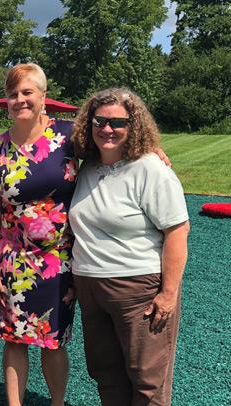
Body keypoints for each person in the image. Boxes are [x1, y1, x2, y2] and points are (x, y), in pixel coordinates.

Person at [69, 88, 189, 405]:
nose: (107, 129)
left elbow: (177, 230)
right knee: (107, 374)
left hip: (137, 287)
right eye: (100, 121)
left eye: (118, 122)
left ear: (133, 126)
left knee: (148, 380)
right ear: (88, 123)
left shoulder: (150, 169)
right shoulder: (89, 166)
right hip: (90, 285)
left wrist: (168, 294)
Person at [0, 63, 76, 406]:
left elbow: (116, 150)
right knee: (15, 339)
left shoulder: (70, 136)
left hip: (60, 262)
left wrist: (151, 149)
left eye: (27, 93)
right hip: (14, 262)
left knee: (54, 340)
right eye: (13, 94)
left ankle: (56, 402)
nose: (19, 100)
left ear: (43, 97)